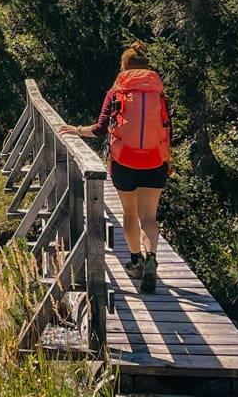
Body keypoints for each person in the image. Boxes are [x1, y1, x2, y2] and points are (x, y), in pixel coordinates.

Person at [58, 42, 171, 293]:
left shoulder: (117, 92)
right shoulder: (158, 94)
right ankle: (151, 256)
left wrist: (75, 129)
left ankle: (135, 261)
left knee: (130, 215)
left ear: (124, 66)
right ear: (146, 66)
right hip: (155, 161)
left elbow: (99, 130)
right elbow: (166, 130)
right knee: (149, 217)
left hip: (125, 163)